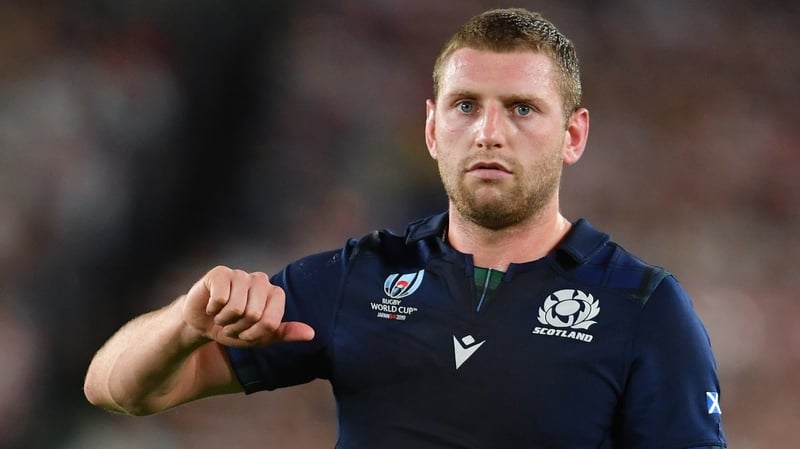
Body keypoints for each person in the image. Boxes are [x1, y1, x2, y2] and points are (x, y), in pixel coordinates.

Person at [84, 8, 727, 448]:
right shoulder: (361, 276)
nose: (489, 132)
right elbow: (114, 387)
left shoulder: (641, 306)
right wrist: (182, 326)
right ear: (430, 128)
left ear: (573, 135)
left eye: (522, 108)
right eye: (465, 105)